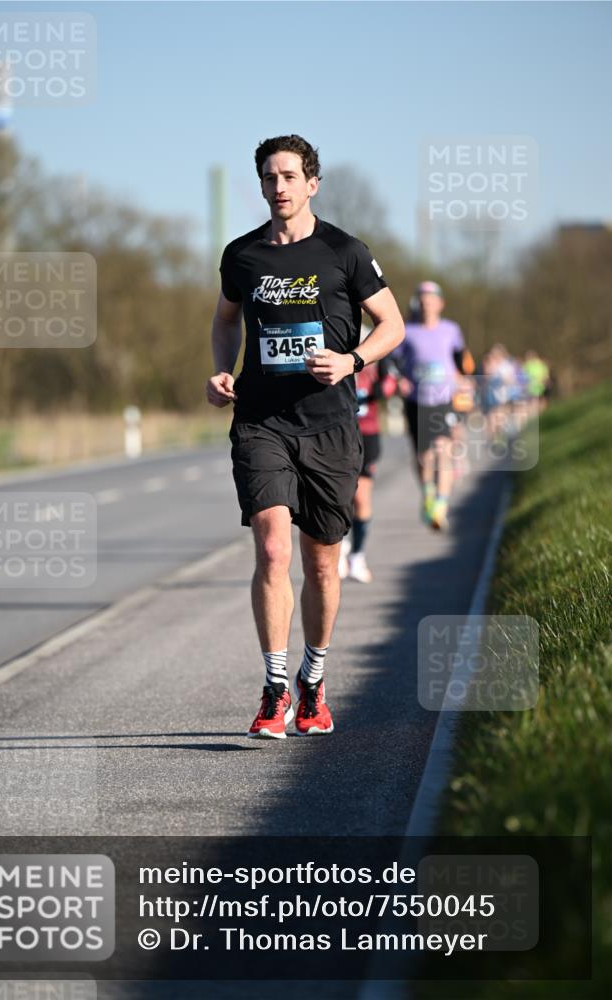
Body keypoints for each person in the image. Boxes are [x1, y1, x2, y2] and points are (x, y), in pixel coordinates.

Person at [206, 134, 405, 739]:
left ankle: (312, 682)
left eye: (290, 177)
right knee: (271, 550)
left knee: (323, 566)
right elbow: (225, 321)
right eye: (269, 177)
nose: (279, 187)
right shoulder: (242, 256)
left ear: (311, 184)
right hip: (262, 422)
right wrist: (220, 369)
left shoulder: (345, 251)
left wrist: (352, 361)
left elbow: (391, 324)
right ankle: (273, 688)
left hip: (330, 425)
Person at [392, 281, 471, 531]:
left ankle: (441, 505)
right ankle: (427, 493)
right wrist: (399, 379)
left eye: (431, 299)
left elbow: (461, 359)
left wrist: (463, 379)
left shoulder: (451, 329)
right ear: (417, 303)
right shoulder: (407, 331)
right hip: (417, 399)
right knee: (424, 457)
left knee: (443, 449)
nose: (426, 303)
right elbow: (391, 360)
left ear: (440, 303)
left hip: (444, 398)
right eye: (422, 299)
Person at [339, 329, 398, 583]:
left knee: (361, 498)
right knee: (338, 496)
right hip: (336, 431)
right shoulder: (334, 342)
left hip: (368, 433)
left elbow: (390, 381)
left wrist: (379, 388)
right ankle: (338, 547)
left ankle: (357, 555)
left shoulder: (376, 350)